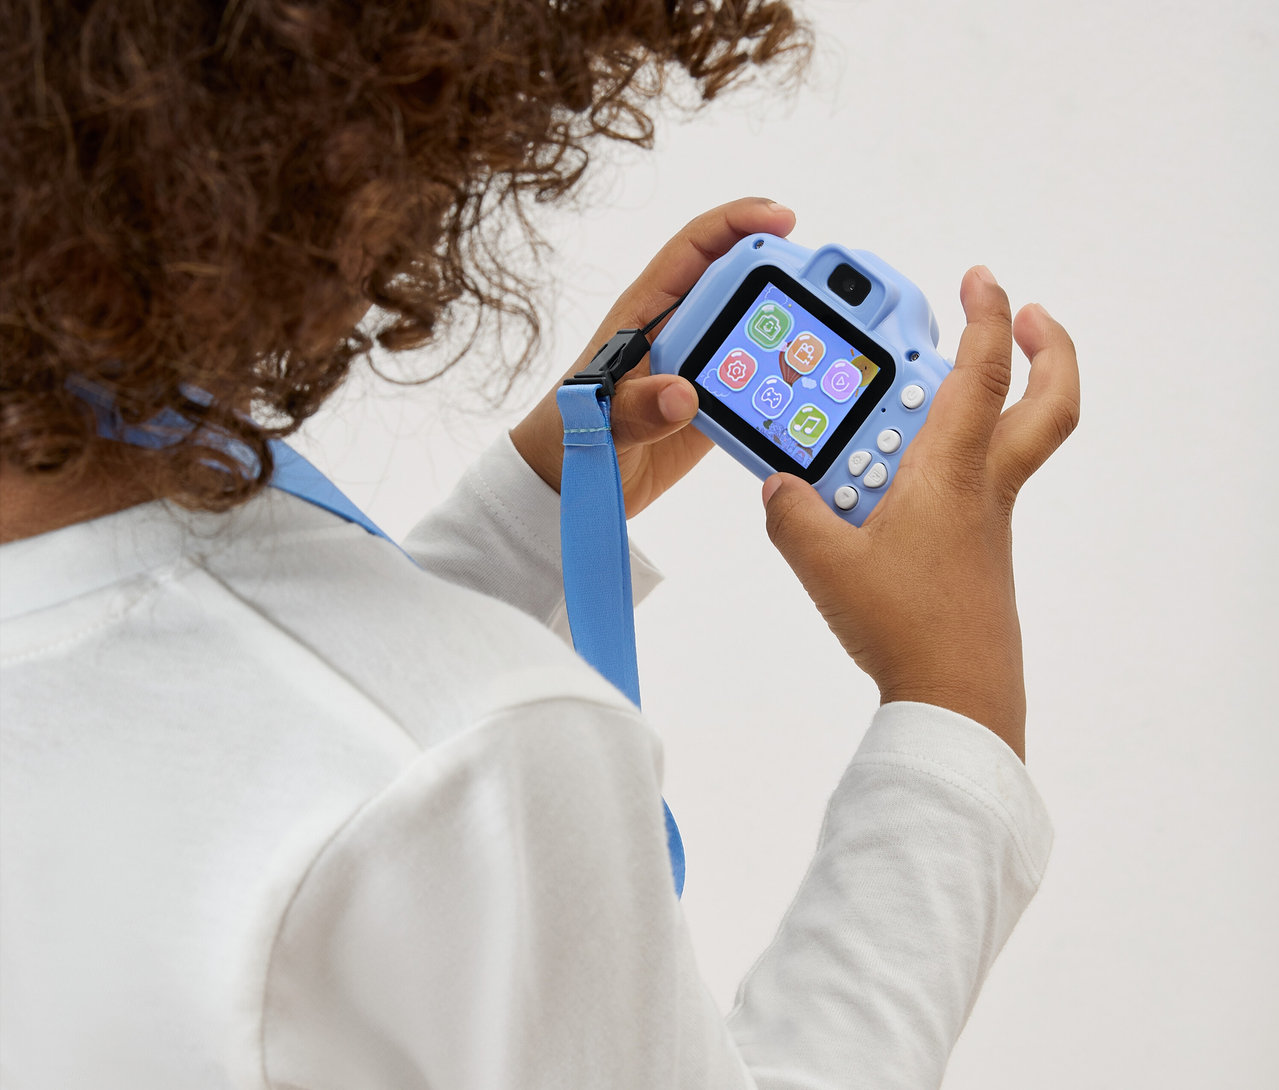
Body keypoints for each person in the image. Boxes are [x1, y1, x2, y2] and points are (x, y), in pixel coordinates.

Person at [0, 1, 1080, 1087]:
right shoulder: (482, 754)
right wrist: (956, 704)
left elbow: (266, 747)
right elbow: (384, 767)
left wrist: (539, 510)